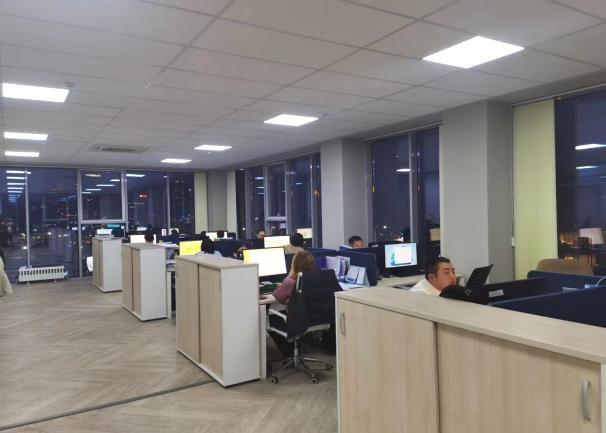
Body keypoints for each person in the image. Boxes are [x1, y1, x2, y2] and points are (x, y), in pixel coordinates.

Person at [269, 251, 317, 356]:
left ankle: (289, 352)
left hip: (295, 323)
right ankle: (298, 347)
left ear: (294, 265)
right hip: (314, 320)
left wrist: (287, 279)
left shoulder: (290, 281)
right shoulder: (317, 280)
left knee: (269, 318)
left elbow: (277, 296)